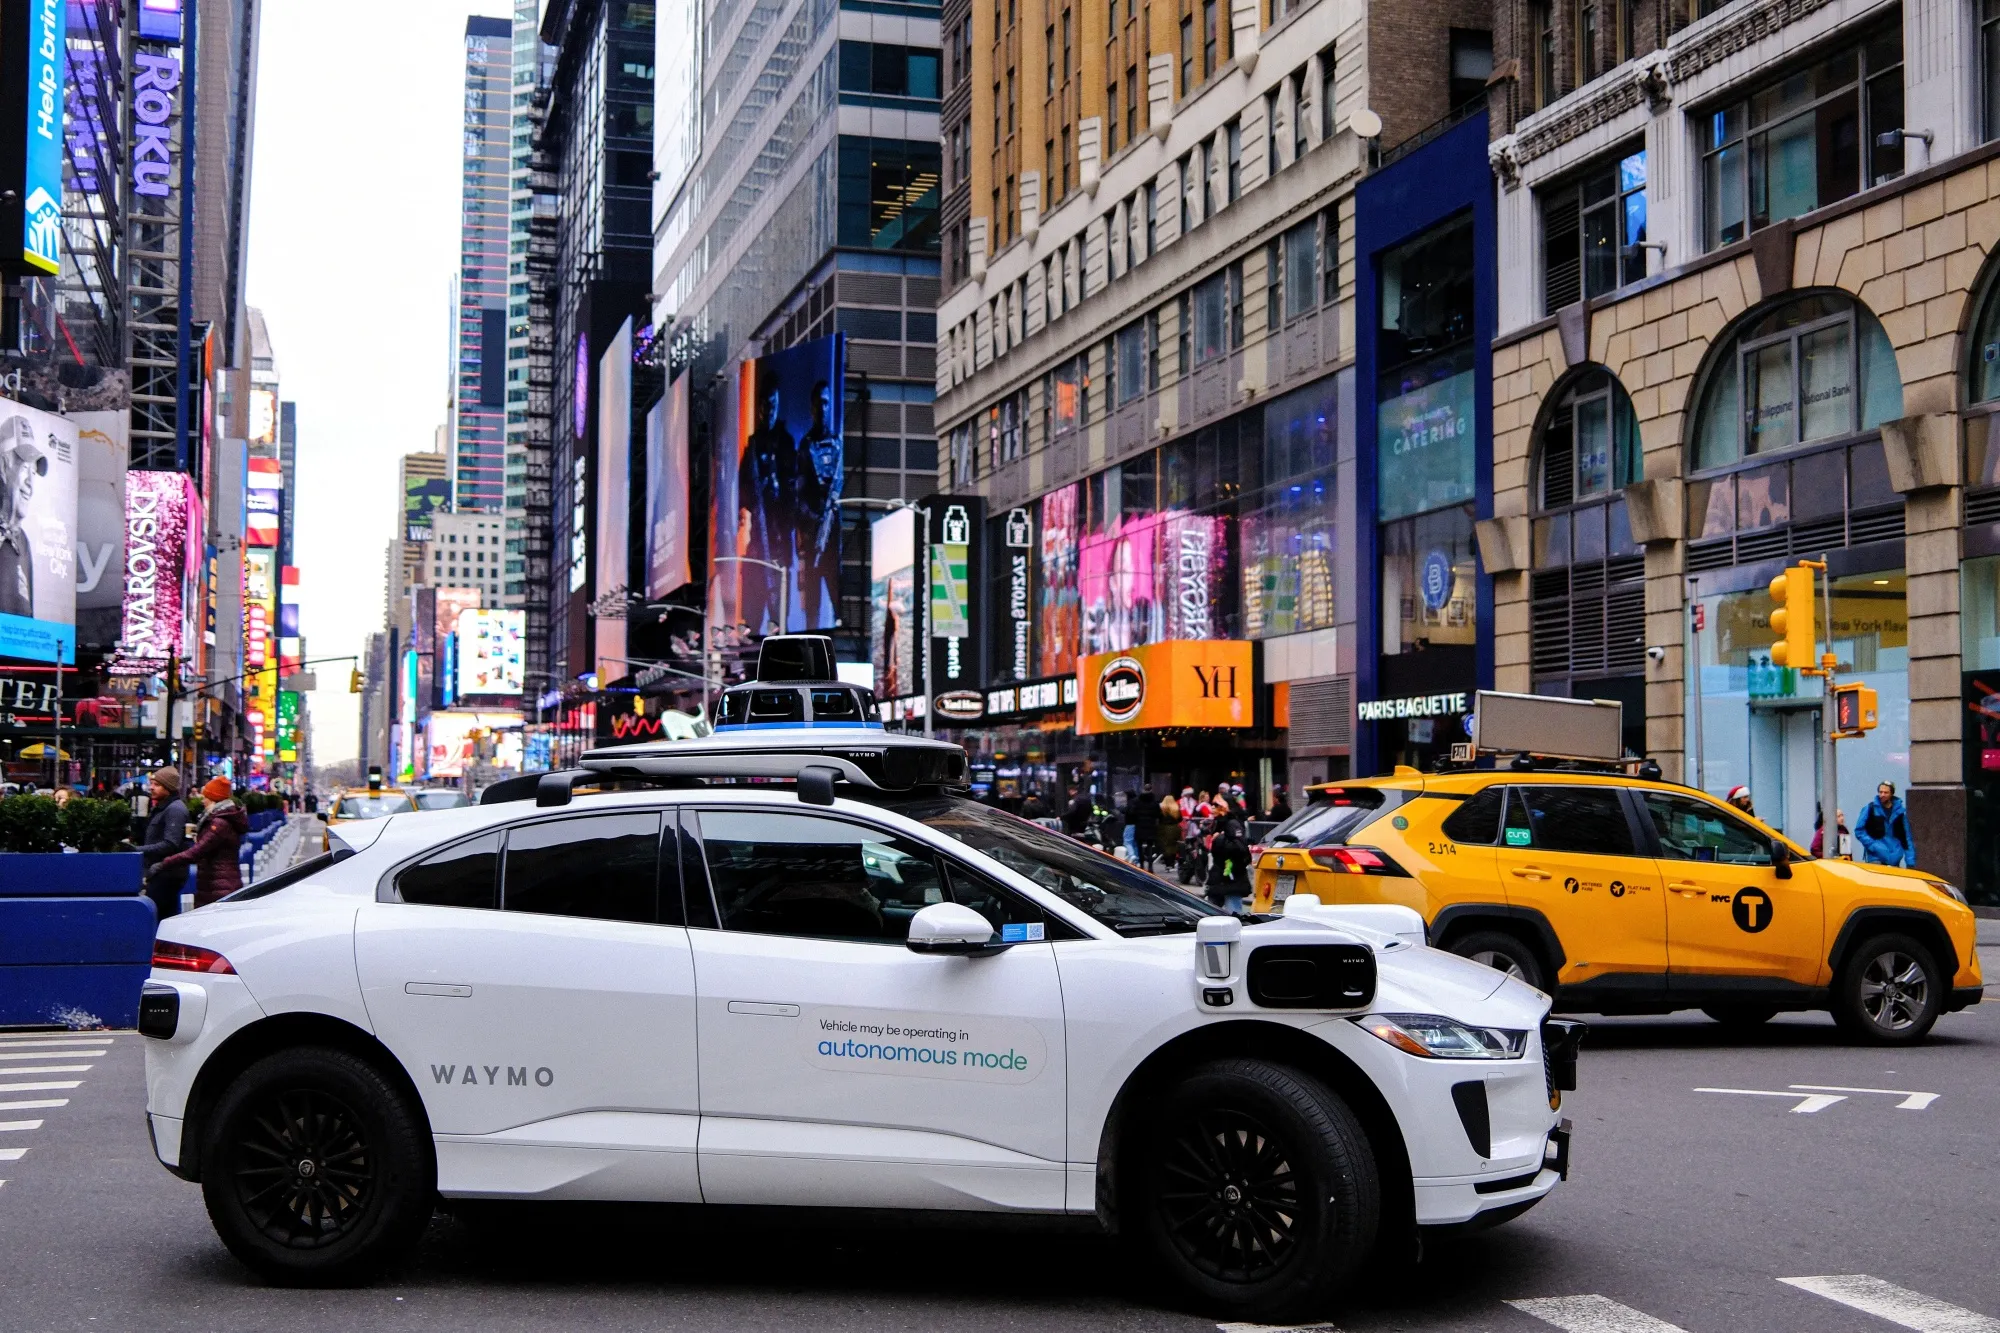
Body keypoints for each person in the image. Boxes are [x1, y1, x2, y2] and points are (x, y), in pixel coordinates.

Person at [793, 379, 843, 628]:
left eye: (826, 403)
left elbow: (839, 484)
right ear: (812, 408)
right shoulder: (806, 446)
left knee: (836, 589)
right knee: (811, 599)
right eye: (818, 404)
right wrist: (813, 520)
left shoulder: (837, 443)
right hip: (812, 532)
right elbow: (799, 495)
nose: (823, 408)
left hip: (832, 530)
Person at [158, 777, 249, 909]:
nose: (202, 800)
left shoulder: (219, 823)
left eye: (206, 796)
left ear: (214, 799)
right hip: (215, 886)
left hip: (219, 889)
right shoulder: (219, 820)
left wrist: (165, 863)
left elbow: (197, 852)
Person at [129, 767, 190, 920]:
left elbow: (170, 843)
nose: (151, 788)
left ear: (168, 787)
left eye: (157, 784)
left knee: (159, 918)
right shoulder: (163, 807)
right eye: (152, 783)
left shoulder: (174, 810)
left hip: (166, 873)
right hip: (160, 872)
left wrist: (136, 850)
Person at [1856, 782, 1916, 867]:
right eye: (1880, 792)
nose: (1882, 795)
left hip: (1894, 858)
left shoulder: (1899, 814)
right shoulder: (1870, 809)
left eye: (1886, 792)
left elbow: (1906, 838)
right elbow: (1859, 830)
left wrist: (1910, 862)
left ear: (1891, 793)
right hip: (1876, 857)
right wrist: (1872, 845)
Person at [1156, 788, 1182, 867]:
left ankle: (1168, 863)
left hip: (1164, 828)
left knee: (1166, 845)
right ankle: (1172, 863)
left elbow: (1158, 817)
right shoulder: (1176, 808)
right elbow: (1180, 818)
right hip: (1175, 828)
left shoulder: (1162, 808)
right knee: (1174, 845)